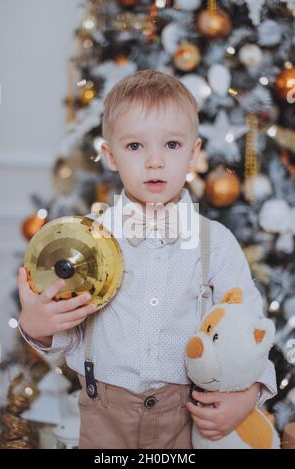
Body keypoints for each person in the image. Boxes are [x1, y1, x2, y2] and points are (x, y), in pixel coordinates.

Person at [18, 70, 277, 449]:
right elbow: (66, 336)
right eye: (135, 146)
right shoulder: (86, 242)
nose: (155, 161)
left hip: (184, 417)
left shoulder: (215, 243)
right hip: (104, 413)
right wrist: (37, 325)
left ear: (193, 153)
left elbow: (249, 327)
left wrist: (249, 393)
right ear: (110, 156)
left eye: (172, 145)